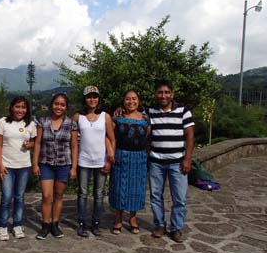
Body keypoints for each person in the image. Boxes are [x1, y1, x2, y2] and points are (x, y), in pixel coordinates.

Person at [146, 79, 194, 243]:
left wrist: (187, 158)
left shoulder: (183, 110)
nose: (163, 95)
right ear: (155, 94)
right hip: (156, 162)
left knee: (179, 198)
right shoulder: (150, 111)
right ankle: (159, 225)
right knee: (155, 196)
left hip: (177, 162)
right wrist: (119, 109)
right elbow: (135, 116)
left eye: (167, 92)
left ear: (172, 94)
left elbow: (190, 135)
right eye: (160, 92)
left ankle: (176, 228)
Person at [32, 93, 78, 240]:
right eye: (56, 104)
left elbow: (74, 146)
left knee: (58, 195)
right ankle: (45, 224)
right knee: (46, 196)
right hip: (46, 163)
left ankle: (55, 224)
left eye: (62, 105)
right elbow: (38, 143)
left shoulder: (71, 124)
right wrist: (35, 163)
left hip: (64, 164)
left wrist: (74, 167)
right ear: (52, 104)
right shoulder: (42, 122)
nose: (59, 107)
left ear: (66, 107)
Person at [72, 86, 115, 237]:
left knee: (99, 193)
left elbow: (111, 138)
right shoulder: (78, 117)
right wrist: (73, 162)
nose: (92, 99)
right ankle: (82, 223)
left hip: (101, 160)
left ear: (99, 99)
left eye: (95, 96)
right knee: (82, 193)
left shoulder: (106, 117)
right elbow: (73, 140)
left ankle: (96, 223)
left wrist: (110, 159)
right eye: (89, 97)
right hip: (83, 160)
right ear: (84, 99)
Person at [0, 96, 36, 241]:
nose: (20, 110)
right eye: (17, 107)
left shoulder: (30, 124)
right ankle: (3, 225)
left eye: (23, 107)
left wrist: (29, 145)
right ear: (12, 107)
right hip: (7, 166)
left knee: (19, 197)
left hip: (24, 165)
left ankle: (17, 224)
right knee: (6, 197)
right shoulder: (3, 122)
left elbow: (34, 143)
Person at [109, 90, 150, 235]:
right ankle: (118, 219)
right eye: (127, 99)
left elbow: (149, 138)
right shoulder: (117, 118)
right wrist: (111, 154)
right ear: (123, 101)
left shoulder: (146, 118)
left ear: (138, 101)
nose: (131, 102)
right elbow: (110, 138)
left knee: (136, 188)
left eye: (134, 99)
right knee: (120, 187)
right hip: (121, 155)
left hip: (140, 157)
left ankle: (133, 218)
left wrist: (147, 155)